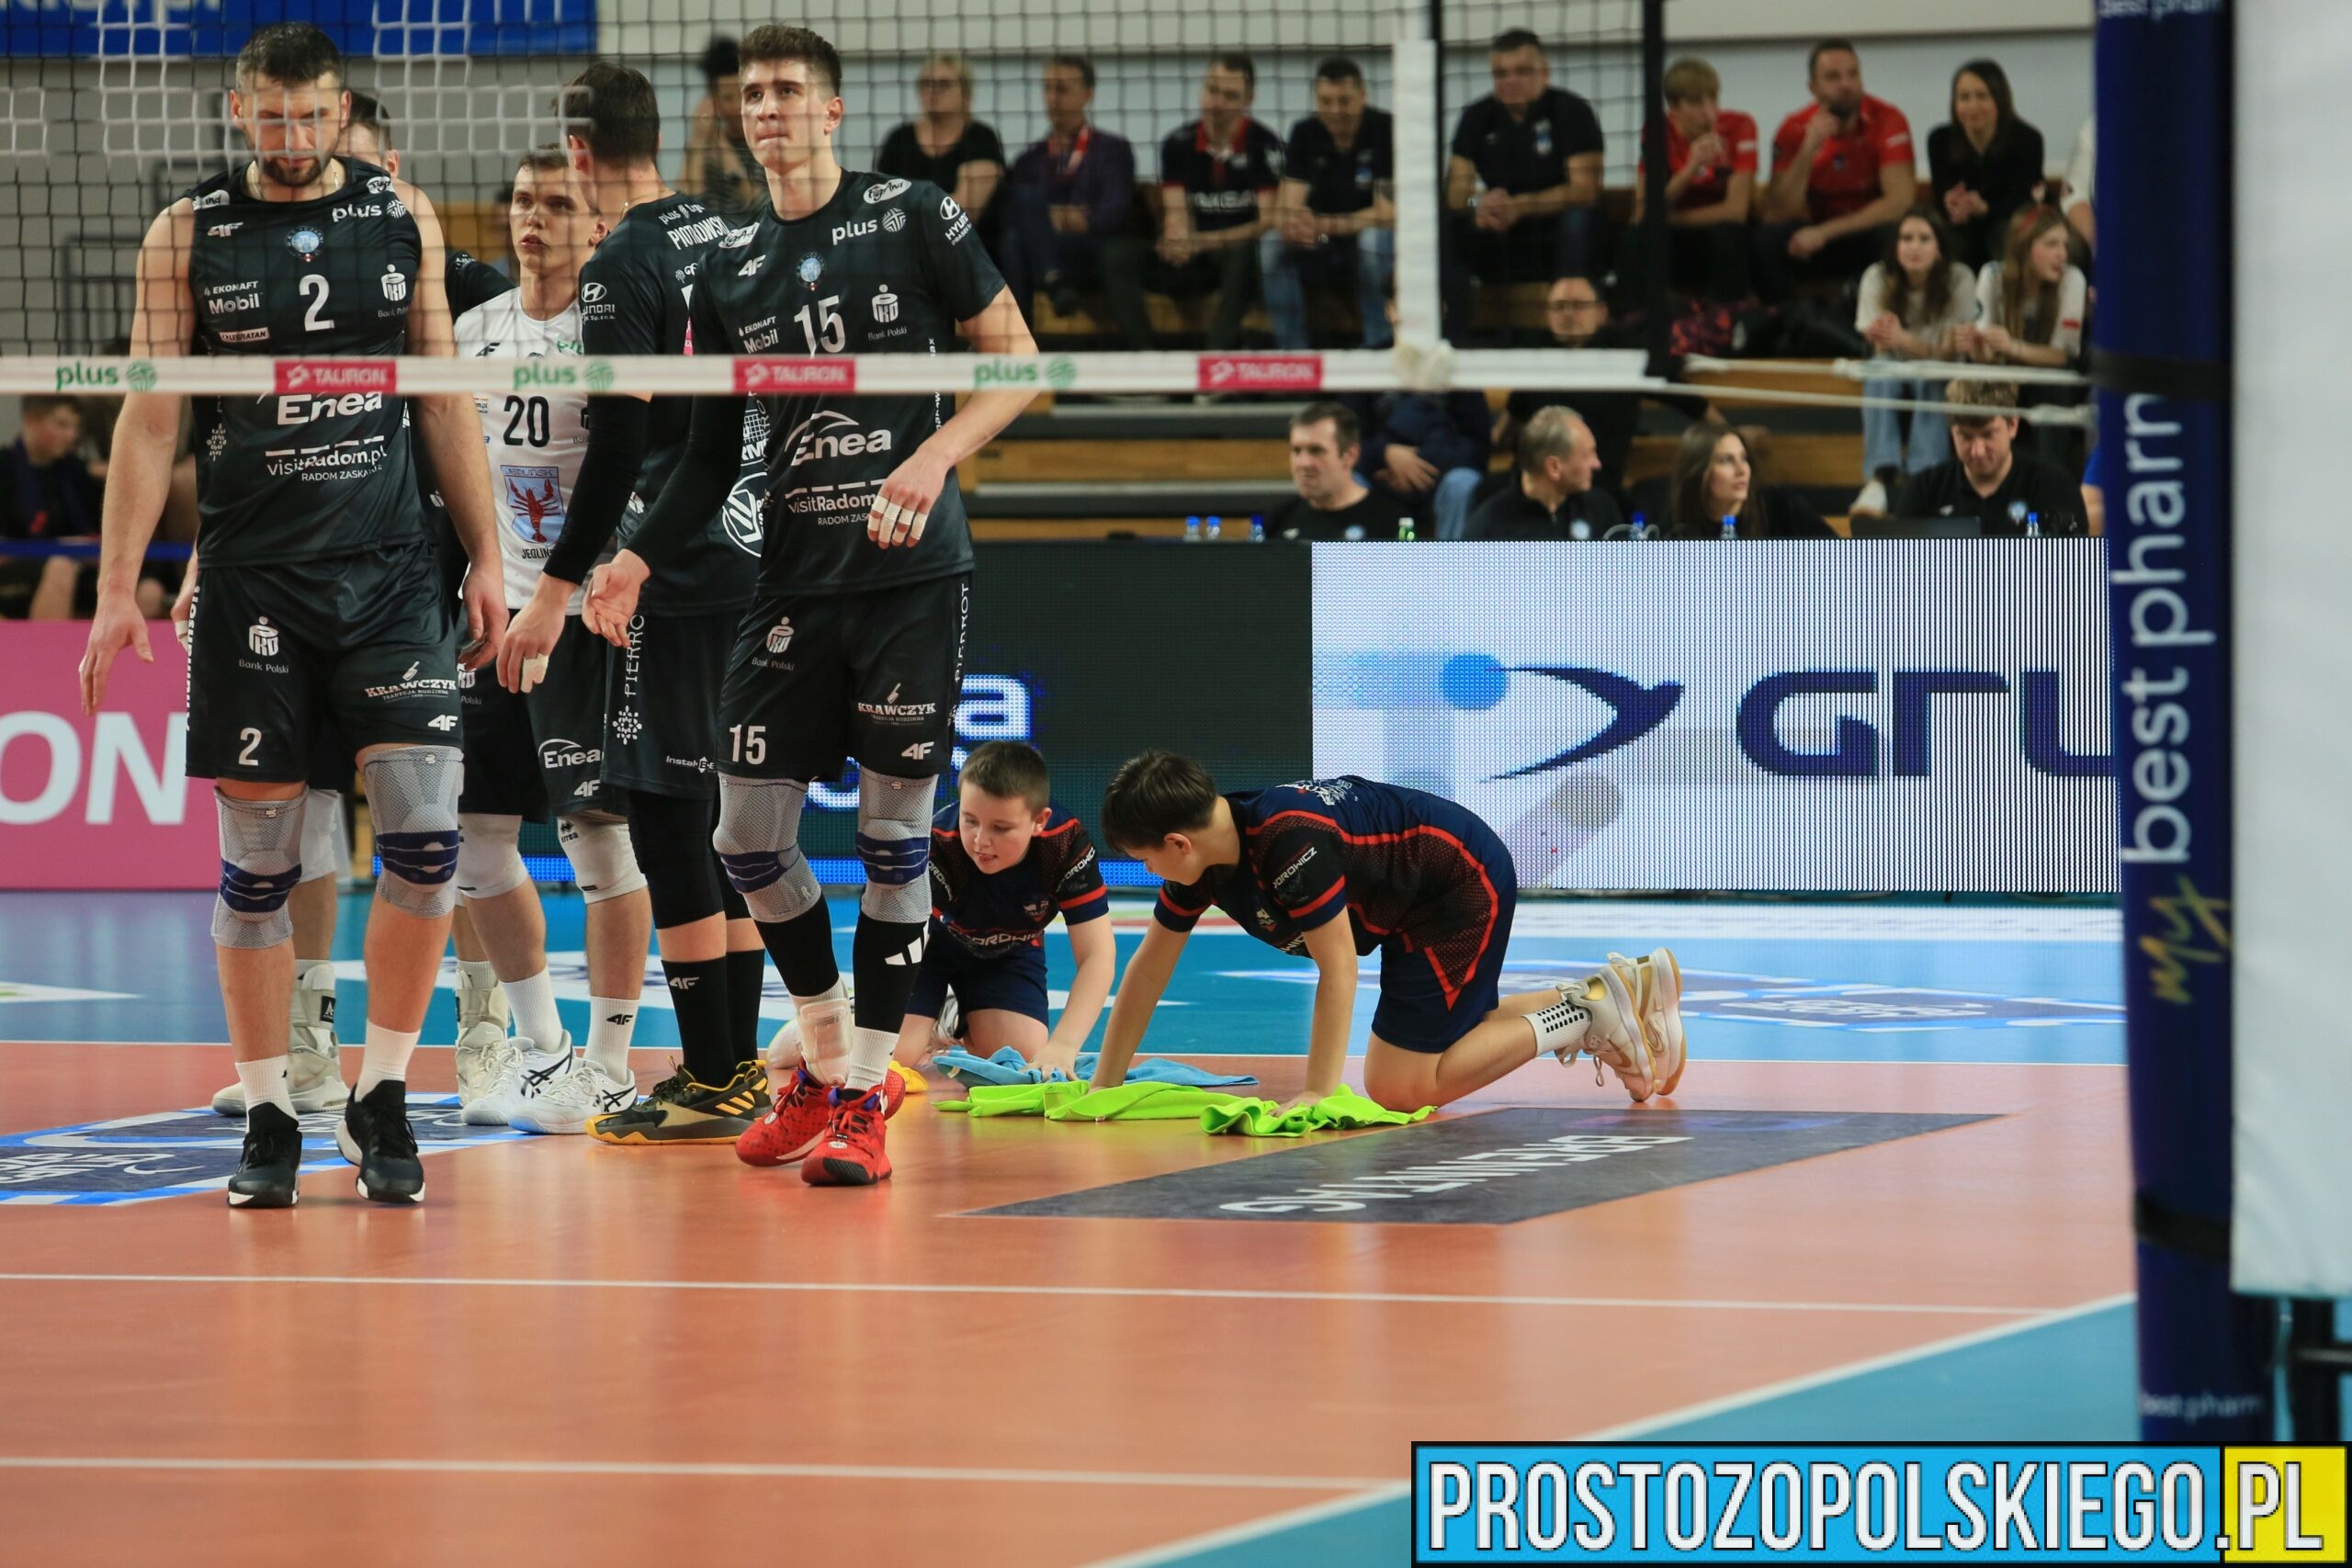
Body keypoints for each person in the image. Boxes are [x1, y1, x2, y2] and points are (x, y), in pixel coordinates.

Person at [581, 25, 1041, 1188]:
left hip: (909, 579)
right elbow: (704, 452)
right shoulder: (729, 265)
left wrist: (931, 458)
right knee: (743, 836)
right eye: (753, 95)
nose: (768, 109)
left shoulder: (911, 214)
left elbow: (1018, 363)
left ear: (832, 111)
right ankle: (834, 1065)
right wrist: (635, 556)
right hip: (787, 581)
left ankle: (862, 1098)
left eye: (789, 91)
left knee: (891, 842)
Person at [80, 22, 510, 1207]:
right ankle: (270, 1109)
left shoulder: (401, 214)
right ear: (238, 112)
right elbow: (152, 418)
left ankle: (384, 1093)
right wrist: (117, 587)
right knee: (260, 865)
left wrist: (486, 556)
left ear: (339, 110)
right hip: (255, 583)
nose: (292, 135)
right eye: (270, 117)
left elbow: (442, 398)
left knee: (425, 841)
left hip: (391, 577)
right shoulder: (187, 234)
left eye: (311, 115)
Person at [501, 62, 775, 1145]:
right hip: (751, 546)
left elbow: (616, 444)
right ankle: (737, 1065)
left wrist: (556, 592)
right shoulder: (727, 228)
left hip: (673, 566)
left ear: (579, 152)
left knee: (669, 819)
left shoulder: (622, 263)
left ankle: (712, 1073)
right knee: (727, 819)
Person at [431, 150, 660, 1137]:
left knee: (598, 842)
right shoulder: (473, 331)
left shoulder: (612, 327)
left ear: (598, 226)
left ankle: (608, 1065)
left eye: (558, 203)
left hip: (584, 616)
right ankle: (543, 1053)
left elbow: (637, 466)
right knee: (477, 845)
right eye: (524, 201)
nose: (535, 217)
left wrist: (575, 593)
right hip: (494, 615)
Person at [1090, 752, 1686, 1112]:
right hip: (1412, 902)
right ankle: (1612, 991)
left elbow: (1339, 969)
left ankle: (1583, 1015)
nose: (1149, 872)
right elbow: (1147, 972)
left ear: (1178, 843)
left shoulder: (1289, 844)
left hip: (1456, 884)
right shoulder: (1205, 857)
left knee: (1400, 1086)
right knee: (1458, 1034)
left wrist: (1319, 1091)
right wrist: (1104, 1085)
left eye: (1145, 859)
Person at [876, 740, 1114, 1085]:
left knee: (1021, 1057)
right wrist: (875, 1017)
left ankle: (954, 1017)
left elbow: (1097, 954)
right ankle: (856, 1016)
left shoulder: (1065, 846)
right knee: (893, 1057)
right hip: (928, 950)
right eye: (970, 820)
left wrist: (1063, 1046)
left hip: (1008, 952)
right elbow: (892, 940)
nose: (980, 841)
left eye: (1000, 828)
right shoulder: (935, 842)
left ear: (1039, 821)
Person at [1444, 30, 1603, 335]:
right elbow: (1456, 195)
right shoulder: (1476, 117)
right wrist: (1480, 206)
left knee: (1579, 219)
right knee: (1446, 223)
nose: (1510, 81)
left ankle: (1570, 327)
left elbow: (1586, 191)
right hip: (1500, 235)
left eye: (1522, 71)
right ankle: (1453, 336)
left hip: (1553, 232)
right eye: (1501, 74)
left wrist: (1520, 206)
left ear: (1544, 72)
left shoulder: (1572, 112)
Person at [1141, 52, 1283, 351]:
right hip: (1196, 259)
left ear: (1249, 99)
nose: (1216, 104)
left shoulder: (1264, 144)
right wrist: (1176, 237)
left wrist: (1203, 241)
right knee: (1119, 256)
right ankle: (1144, 359)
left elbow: (1268, 221)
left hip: (1240, 256)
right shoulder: (1178, 143)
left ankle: (1215, 358)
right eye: (1211, 90)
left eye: (1230, 96)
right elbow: (1176, 211)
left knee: (1244, 255)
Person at [996, 55, 1145, 336]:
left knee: (1019, 231)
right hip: (1040, 254)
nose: (1052, 98)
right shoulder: (1030, 159)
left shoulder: (1113, 150)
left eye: (1062, 89)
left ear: (1088, 94)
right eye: (1048, 89)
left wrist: (1061, 219)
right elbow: (1009, 215)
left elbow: (1113, 213)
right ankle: (1054, 281)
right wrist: (1055, 218)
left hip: (1092, 253)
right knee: (1013, 239)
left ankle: (1018, 339)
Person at [1756, 39, 1917, 299]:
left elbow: (1899, 202)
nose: (1846, 84)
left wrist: (1826, 232)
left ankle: (1886, 317)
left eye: (1853, 74)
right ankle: (1783, 318)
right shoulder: (1793, 128)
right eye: (1833, 77)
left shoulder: (1888, 119)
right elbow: (1778, 212)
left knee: (1894, 234)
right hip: (1812, 234)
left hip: (1862, 229)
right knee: (1768, 240)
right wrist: (1807, 151)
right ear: (1813, 88)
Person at [1261, 57, 1394, 350]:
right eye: (1326, 101)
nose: (1335, 111)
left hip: (1368, 241)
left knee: (1372, 240)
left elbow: (1388, 213)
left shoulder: (1385, 129)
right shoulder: (1305, 132)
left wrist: (1326, 224)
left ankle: (1380, 345)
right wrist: (1296, 225)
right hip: (1321, 242)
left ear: (1362, 96)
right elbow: (1284, 210)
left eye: (1344, 101)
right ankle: (1294, 355)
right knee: (1271, 244)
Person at [1851, 210, 1979, 513]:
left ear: (1939, 248)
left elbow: (1949, 354)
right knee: (1879, 372)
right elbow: (1880, 348)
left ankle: (1926, 478)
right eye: (1906, 238)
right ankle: (1879, 479)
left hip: (1941, 369)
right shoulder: (1877, 277)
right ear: (1895, 246)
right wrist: (1900, 342)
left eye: (1924, 239)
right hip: (1893, 365)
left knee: (1931, 376)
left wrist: (1903, 340)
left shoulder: (1960, 278)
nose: (1914, 247)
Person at [1497, 276, 1639, 503]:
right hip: (1533, 484)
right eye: (1559, 306)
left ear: (1601, 313)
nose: (1568, 314)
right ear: (1548, 314)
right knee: (1484, 490)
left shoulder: (1624, 359)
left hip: (1595, 485)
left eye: (1579, 306)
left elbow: (1687, 397)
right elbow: (1505, 428)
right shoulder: (1536, 358)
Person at [1626, 57, 1756, 302]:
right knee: (1635, 239)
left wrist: (1669, 219)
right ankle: (1637, 319)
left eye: (1713, 99)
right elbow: (1644, 211)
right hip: (1673, 241)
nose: (1709, 111)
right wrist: (1689, 169)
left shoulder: (1740, 126)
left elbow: (1736, 211)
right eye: (1696, 103)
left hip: (1713, 234)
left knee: (1731, 235)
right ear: (1674, 107)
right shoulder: (1656, 131)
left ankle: (1727, 317)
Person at [1890, 379, 2085, 535]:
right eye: (1966, 437)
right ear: (1951, 432)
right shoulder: (1923, 493)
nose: (1978, 451)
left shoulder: (2055, 488)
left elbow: (2074, 567)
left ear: (2012, 425)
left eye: (1988, 435)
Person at [877, 54, 1005, 252]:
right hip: (905, 251)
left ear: (966, 93)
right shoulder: (899, 139)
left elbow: (961, 214)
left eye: (944, 84)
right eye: (925, 84)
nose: (932, 91)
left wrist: (908, 209)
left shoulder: (980, 137)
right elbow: (881, 206)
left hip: (967, 251)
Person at [1927, 60, 2046, 269]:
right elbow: (1941, 195)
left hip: (2007, 223)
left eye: (1982, 96)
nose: (1973, 106)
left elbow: (2023, 201)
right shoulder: (1939, 140)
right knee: (1942, 238)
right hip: (1961, 228)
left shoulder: (2027, 139)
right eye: (1964, 97)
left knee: (2005, 234)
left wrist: (1985, 208)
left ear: (2000, 99)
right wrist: (1952, 204)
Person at [0, 395, 110, 621]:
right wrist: (58, 548)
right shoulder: (5, 468)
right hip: (16, 570)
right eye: (61, 425)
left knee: (146, 589)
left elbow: (93, 534)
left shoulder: (75, 471)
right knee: (61, 568)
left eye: (75, 427)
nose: (71, 435)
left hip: (77, 567)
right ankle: (43, 645)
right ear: (31, 420)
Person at [1345, 378, 1489, 539]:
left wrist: (1418, 467)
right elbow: (1349, 439)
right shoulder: (1367, 367)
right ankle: (1362, 554)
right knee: (1349, 479)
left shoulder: (1455, 369)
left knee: (1462, 482)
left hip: (1440, 472)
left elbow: (1477, 444)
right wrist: (1384, 452)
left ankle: (1452, 554)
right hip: (1380, 472)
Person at [1464, 407, 1625, 541]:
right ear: (1554, 467)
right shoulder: (1490, 527)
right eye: (1587, 455)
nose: (1597, 464)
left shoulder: (1600, 509)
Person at [1957, 206, 2085, 372]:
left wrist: (2012, 347)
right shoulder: (1992, 276)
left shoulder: (2072, 278)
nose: (2062, 255)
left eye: (2065, 245)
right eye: (2051, 244)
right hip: (2004, 377)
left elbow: (2065, 356)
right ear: (2024, 247)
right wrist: (1975, 347)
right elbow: (1986, 356)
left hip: (2052, 381)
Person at [1263, 401, 1407, 542]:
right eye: (1297, 450)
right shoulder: (1278, 521)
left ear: (1350, 456)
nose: (1303, 463)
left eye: (1316, 451)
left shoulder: (1391, 523)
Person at [1666, 420, 1834, 539]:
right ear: (1700, 472)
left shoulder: (1780, 505)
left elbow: (1837, 559)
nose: (1742, 470)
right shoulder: (1677, 525)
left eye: (1743, 458)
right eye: (1726, 460)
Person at [679, 35, 766, 219]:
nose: (737, 106)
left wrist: (726, 154)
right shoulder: (704, 144)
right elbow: (683, 206)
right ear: (713, 100)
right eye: (727, 98)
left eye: (742, 95)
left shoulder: (766, 141)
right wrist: (698, 140)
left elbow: (764, 208)